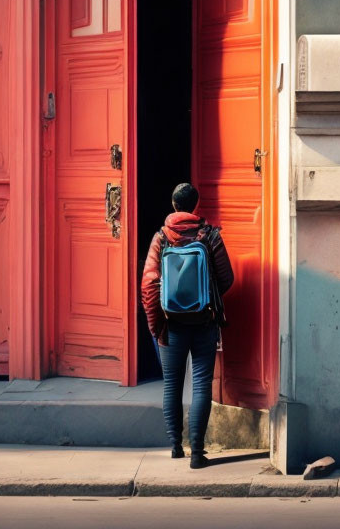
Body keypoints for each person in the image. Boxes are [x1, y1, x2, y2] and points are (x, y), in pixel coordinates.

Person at [140, 182, 234, 469]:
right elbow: (227, 278)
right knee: (202, 385)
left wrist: (157, 327)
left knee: (172, 385)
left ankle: (175, 447)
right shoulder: (209, 236)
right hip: (204, 321)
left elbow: (149, 286)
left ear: (173, 204)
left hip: (172, 325)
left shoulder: (161, 238)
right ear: (195, 205)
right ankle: (197, 453)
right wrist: (208, 298)